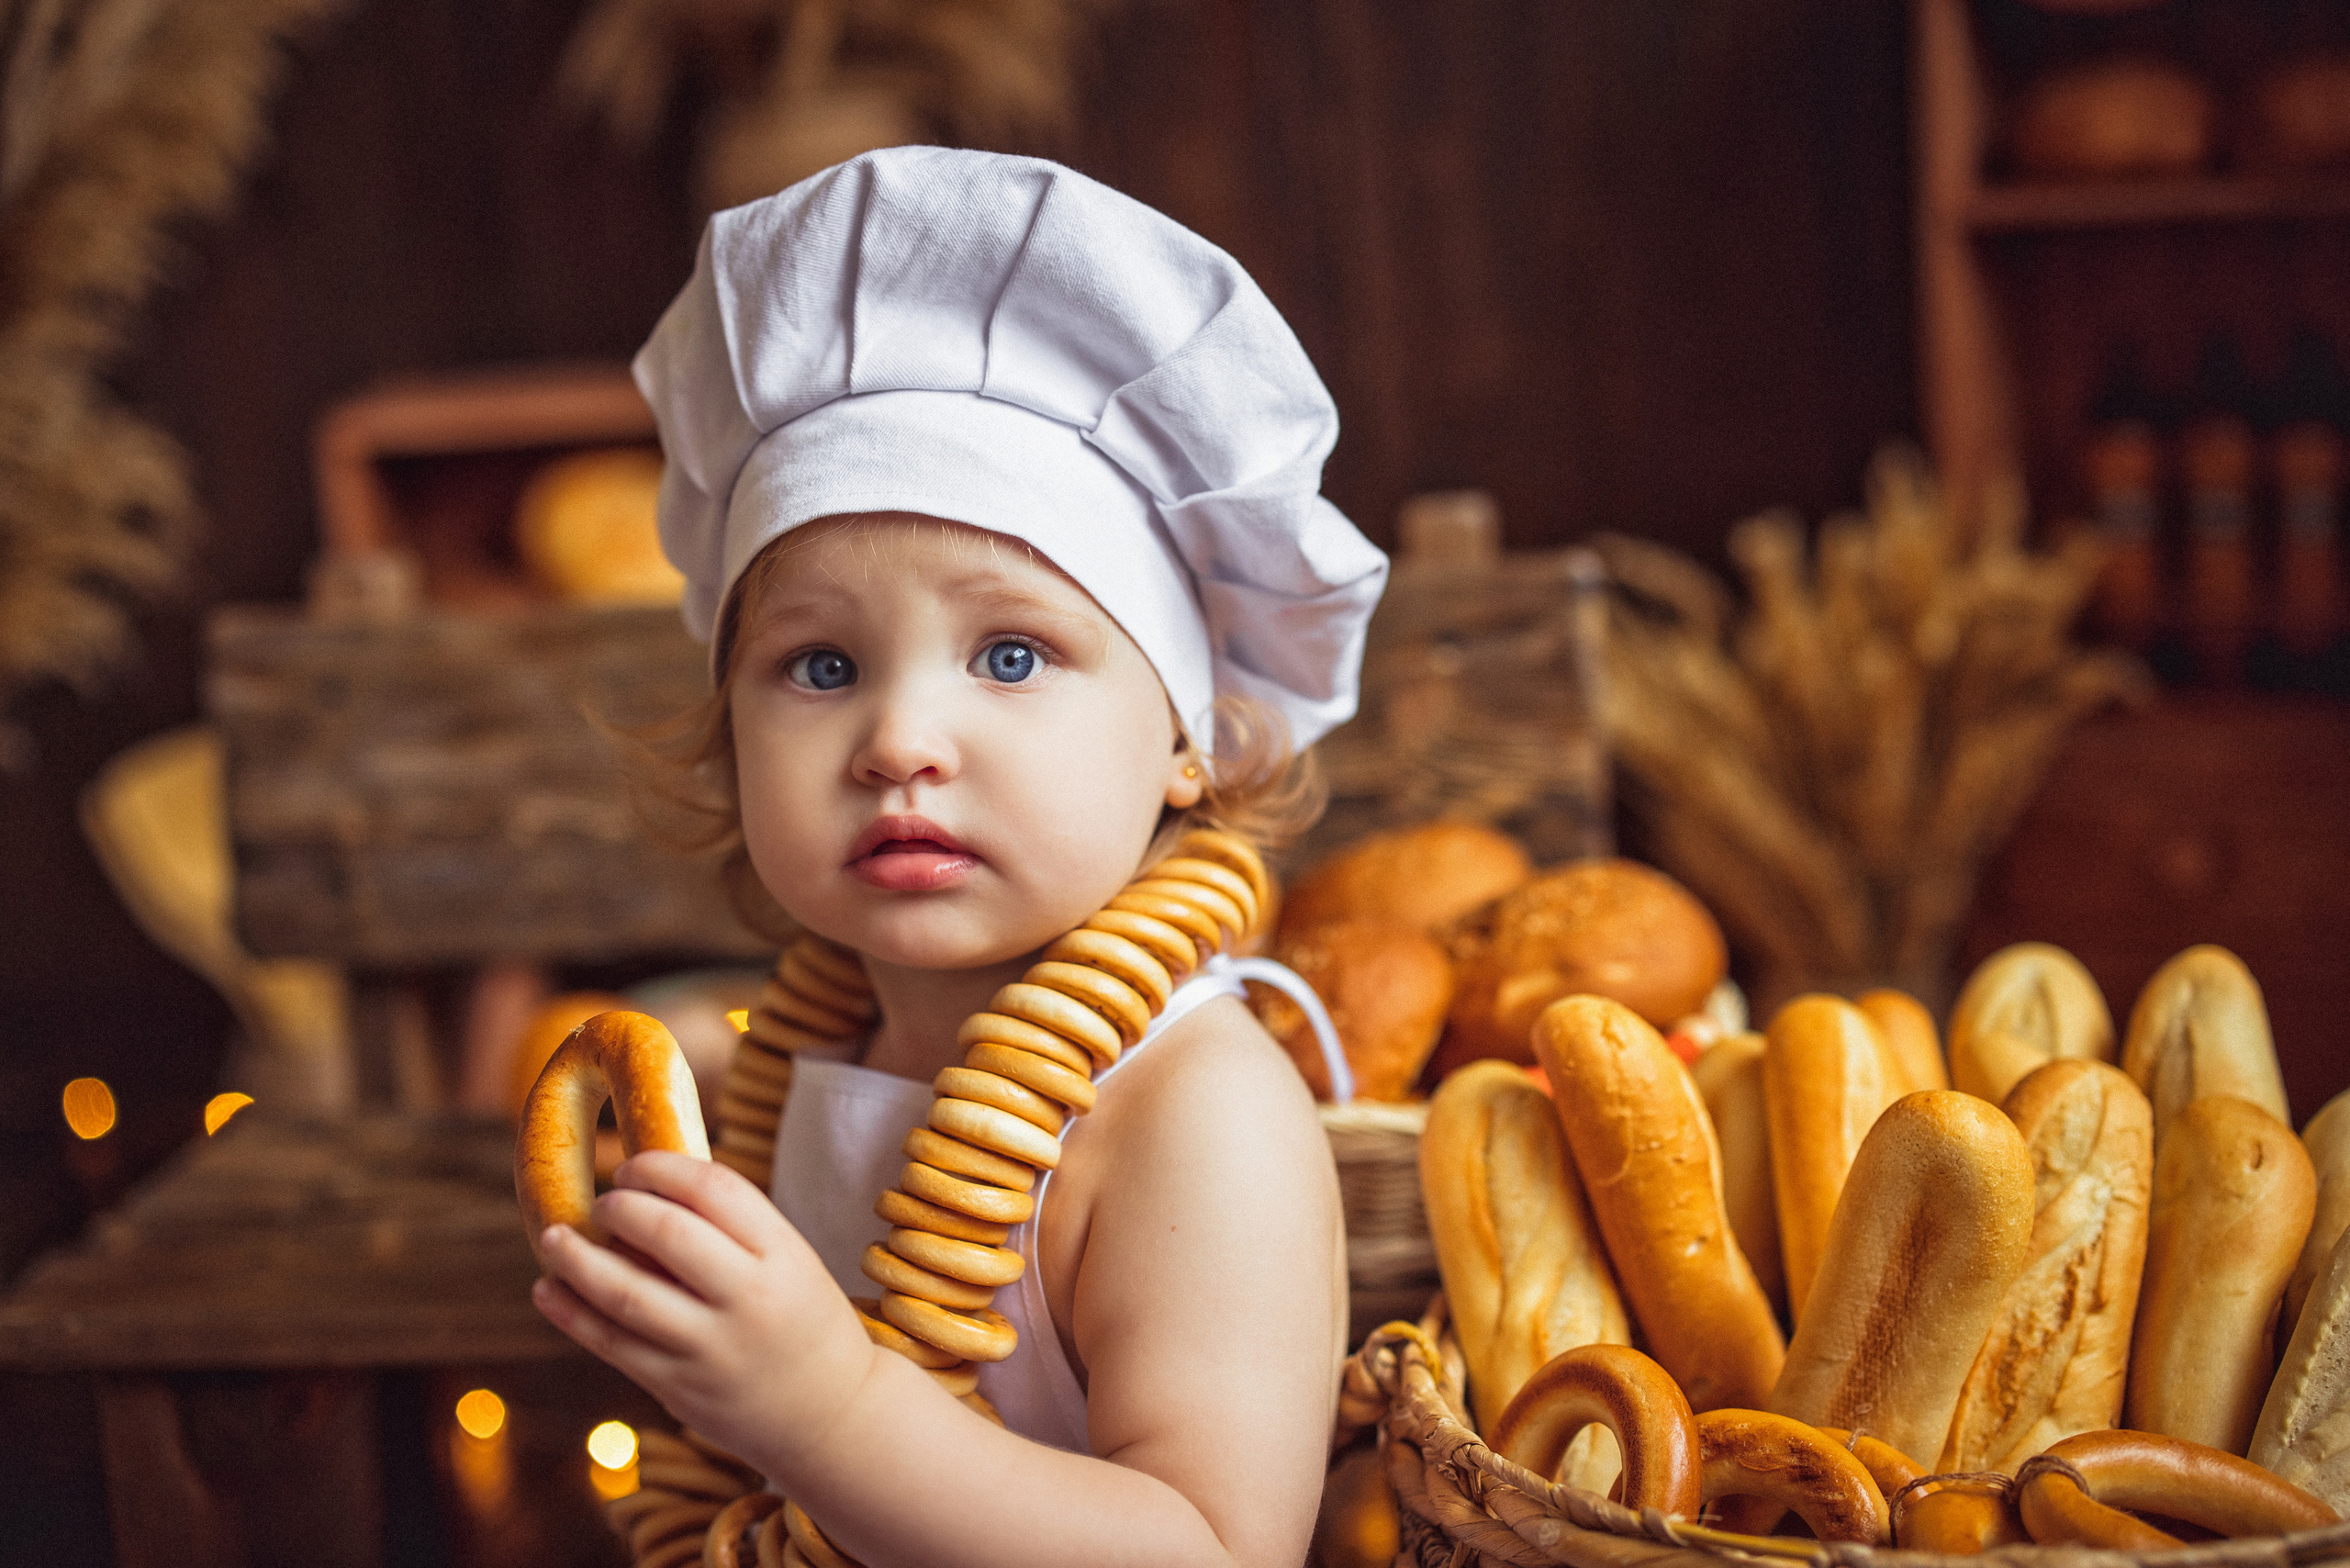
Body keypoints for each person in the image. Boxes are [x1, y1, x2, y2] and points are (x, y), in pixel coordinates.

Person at [528, 147, 1389, 1568]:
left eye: (1011, 655)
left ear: (1186, 737)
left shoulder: (1194, 1114)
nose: (899, 741)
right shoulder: (808, 1051)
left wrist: (824, 1406)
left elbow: (1214, 1552)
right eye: (820, 665)